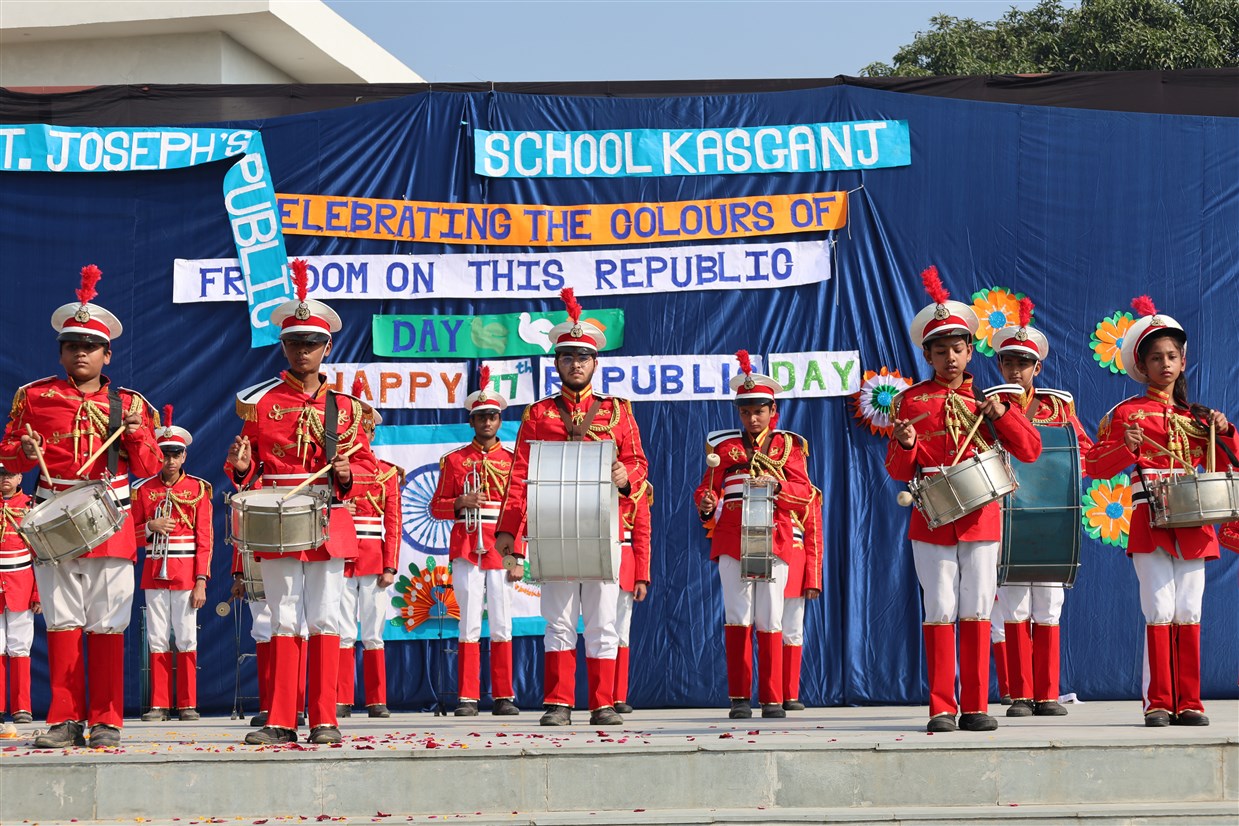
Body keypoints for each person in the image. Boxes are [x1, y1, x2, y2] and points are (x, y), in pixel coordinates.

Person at [0, 265, 163, 749]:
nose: (80, 353)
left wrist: (136, 433)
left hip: (110, 521)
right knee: (62, 620)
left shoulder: (128, 403)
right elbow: (9, 454)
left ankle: (106, 719)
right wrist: (21, 452)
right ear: (61, 352)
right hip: (54, 519)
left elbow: (150, 465)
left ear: (107, 353)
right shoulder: (34, 397)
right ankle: (65, 719)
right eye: (72, 345)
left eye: (90, 346)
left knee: (108, 621)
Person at [225, 259, 377, 745]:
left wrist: (348, 474)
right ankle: (281, 718)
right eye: (294, 343)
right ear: (284, 346)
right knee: (284, 615)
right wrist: (242, 468)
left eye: (311, 343)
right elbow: (245, 468)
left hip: (329, 516)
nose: (302, 351)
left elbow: (369, 469)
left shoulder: (348, 409)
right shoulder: (260, 402)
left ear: (327, 347)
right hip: (278, 514)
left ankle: (325, 717)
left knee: (327, 616)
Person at [885, 267, 1042, 733]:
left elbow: (1030, 450)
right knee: (939, 607)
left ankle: (974, 705)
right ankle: (940, 706)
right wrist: (906, 444)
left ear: (971, 351)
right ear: (927, 355)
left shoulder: (990, 399)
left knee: (976, 607)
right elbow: (897, 471)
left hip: (981, 514)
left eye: (957, 349)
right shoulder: (911, 402)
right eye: (940, 351)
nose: (950, 358)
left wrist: (1004, 416)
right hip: (932, 518)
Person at [494, 289, 648, 727]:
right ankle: (558, 702)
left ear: (595, 363)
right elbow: (518, 476)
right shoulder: (537, 414)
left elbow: (639, 463)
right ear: (557, 363)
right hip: (552, 528)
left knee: (603, 619)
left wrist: (626, 476)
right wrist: (510, 537)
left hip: (604, 527)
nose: (575, 364)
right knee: (558, 619)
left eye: (583, 357)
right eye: (567, 357)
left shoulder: (618, 412)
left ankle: (602, 703)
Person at [1084, 295, 1236, 727]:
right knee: (1159, 608)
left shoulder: (1199, 417)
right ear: (1142, 366)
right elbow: (1094, 465)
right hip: (1150, 520)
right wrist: (1125, 446)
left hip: (1194, 523)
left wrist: (1225, 430)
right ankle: (1158, 701)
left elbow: (1226, 465)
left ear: (1183, 361)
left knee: (1189, 610)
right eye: (1156, 358)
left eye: (1171, 356)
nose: (1165, 364)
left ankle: (1190, 702)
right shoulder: (1127, 414)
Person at [985, 299, 1094, 718]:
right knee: (1013, 605)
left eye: (1024, 363)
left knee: (1049, 604)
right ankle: (1020, 694)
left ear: (1038, 367)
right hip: (1007, 515)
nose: (1016, 370)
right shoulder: (988, 403)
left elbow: (1081, 451)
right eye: (1009, 362)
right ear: (999, 365)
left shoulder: (1058, 406)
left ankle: (1047, 694)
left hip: (1051, 517)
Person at [695, 351, 814, 719]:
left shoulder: (788, 446)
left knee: (771, 615)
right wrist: (706, 503)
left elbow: (805, 493)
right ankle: (739, 698)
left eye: (759, 410)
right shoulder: (723, 447)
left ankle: (773, 697)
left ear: (772, 410)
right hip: (732, 538)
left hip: (775, 536)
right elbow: (706, 489)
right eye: (745, 411)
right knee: (738, 615)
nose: (752, 418)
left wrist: (778, 488)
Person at [430, 366, 520, 716]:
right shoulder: (455, 460)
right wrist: (460, 502)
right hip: (467, 549)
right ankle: (467, 697)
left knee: (502, 621)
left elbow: (519, 513)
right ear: (471, 421)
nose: (486, 422)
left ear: (500, 421)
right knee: (467, 621)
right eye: (481, 417)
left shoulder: (512, 462)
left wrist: (516, 559)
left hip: (501, 549)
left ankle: (503, 696)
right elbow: (435, 508)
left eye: (492, 417)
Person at [133, 407, 213, 722]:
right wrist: (149, 527)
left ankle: (188, 703)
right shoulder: (143, 490)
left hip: (185, 573)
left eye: (175, 454)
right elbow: (128, 535)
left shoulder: (198, 489)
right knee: (156, 637)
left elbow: (205, 539)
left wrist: (201, 580)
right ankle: (159, 704)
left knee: (186, 636)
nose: (169, 460)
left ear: (184, 456)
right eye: (165, 454)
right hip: (155, 571)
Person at [338, 381, 400, 719]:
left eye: (366, 430)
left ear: (373, 434)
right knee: (343, 631)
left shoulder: (387, 473)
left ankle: (377, 699)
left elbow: (393, 522)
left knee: (374, 632)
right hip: (341, 558)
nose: (361, 435)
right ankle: (341, 698)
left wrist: (390, 565)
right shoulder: (332, 471)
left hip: (374, 559)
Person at [0, 464, 40, 724]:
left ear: (19, 477)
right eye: (1, 475)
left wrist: (38, 592)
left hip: (21, 581)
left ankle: (22, 707)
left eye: (10, 474)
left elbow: (40, 552)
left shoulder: (31, 506)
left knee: (20, 646)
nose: (5, 479)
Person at [613, 481, 652, 715]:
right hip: (593, 559)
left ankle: (617, 695)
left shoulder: (638, 488)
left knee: (621, 631)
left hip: (624, 563)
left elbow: (642, 534)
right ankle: (599, 696)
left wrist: (641, 577)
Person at [782, 485, 823, 711]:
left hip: (794, 566)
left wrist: (813, 579)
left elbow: (814, 538)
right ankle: (766, 694)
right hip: (761, 558)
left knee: (792, 631)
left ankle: (789, 693)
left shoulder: (809, 494)